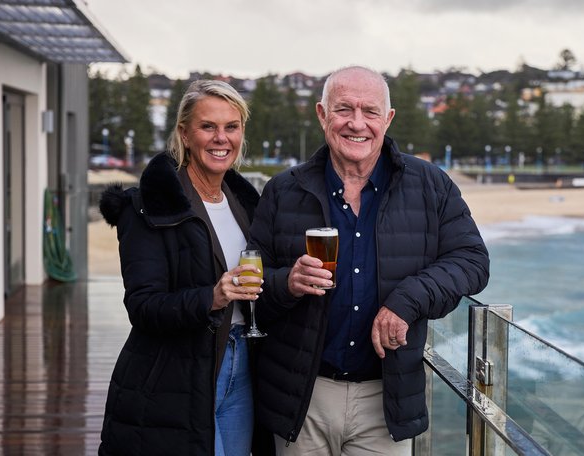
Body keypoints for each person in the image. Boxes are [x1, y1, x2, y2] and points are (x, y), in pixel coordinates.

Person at [248, 66, 490, 454]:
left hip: (387, 401)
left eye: (370, 111)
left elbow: (472, 260)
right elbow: (252, 289)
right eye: (343, 109)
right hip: (302, 399)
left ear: (388, 119)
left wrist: (407, 301)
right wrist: (287, 283)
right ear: (322, 115)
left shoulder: (431, 185)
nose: (356, 123)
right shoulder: (282, 191)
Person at [98, 79, 271, 455]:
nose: (220, 138)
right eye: (208, 126)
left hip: (242, 365)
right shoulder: (147, 205)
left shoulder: (246, 204)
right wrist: (212, 297)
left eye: (231, 127)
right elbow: (143, 306)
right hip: (178, 375)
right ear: (184, 133)